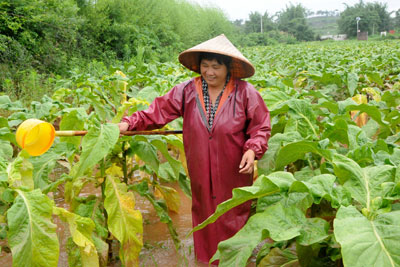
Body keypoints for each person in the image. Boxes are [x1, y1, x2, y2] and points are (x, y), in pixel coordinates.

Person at [118, 34, 271, 265]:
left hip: (234, 170)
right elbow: (157, 112)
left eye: (216, 67)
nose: (209, 72)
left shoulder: (245, 92)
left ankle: (235, 261)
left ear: (228, 67)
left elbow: (261, 126)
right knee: (204, 215)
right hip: (199, 169)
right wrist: (129, 123)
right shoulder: (187, 91)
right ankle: (206, 261)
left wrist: (252, 149)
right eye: (205, 66)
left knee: (233, 215)